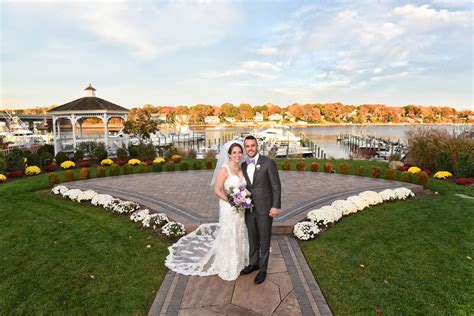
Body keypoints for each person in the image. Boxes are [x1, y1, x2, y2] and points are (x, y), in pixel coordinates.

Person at [164, 140, 249, 281]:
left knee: (239, 230)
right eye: (234, 152)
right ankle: (228, 265)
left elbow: (242, 187)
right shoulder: (225, 169)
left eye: (240, 152)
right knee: (229, 232)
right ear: (229, 154)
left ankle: (238, 262)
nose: (237, 155)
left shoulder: (241, 169)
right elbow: (217, 190)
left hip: (240, 208)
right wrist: (231, 201)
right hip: (228, 207)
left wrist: (243, 198)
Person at [240, 135, 281, 284]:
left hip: (265, 208)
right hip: (249, 208)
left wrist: (275, 205)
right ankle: (253, 263)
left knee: (264, 239)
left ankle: (263, 269)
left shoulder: (268, 163)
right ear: (245, 148)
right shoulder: (243, 165)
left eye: (253, 145)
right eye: (247, 146)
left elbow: (276, 186)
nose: (250, 148)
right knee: (252, 238)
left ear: (257, 146)